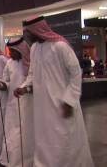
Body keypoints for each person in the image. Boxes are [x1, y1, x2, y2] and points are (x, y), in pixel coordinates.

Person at [14, 16, 94, 167]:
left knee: (64, 140)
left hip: (61, 104)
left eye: (28, 33)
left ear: (37, 30)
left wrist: (70, 100)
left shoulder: (60, 46)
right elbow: (32, 73)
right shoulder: (35, 49)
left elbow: (76, 73)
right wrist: (24, 86)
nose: (27, 37)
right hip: (42, 106)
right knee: (45, 139)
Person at [0, 37, 34, 167]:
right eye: (10, 51)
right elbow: (6, 80)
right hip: (12, 104)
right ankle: (11, 159)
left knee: (25, 132)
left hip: (29, 105)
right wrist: (2, 85)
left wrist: (26, 89)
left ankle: (26, 161)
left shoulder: (31, 63)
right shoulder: (9, 63)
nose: (10, 54)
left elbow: (36, 82)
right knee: (12, 131)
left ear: (21, 50)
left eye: (13, 51)